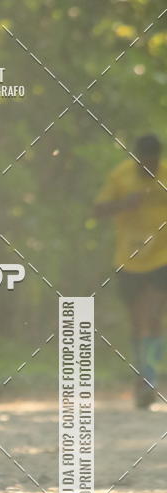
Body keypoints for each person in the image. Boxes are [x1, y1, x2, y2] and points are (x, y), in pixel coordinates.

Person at [95, 134, 167, 408]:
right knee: (138, 321)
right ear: (136, 159)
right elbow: (97, 210)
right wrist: (125, 204)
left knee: (153, 316)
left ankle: (149, 379)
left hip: (162, 257)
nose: (148, 168)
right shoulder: (120, 177)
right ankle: (143, 374)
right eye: (143, 164)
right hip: (129, 259)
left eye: (153, 163)